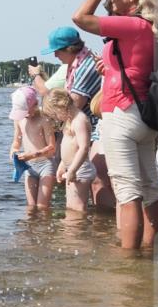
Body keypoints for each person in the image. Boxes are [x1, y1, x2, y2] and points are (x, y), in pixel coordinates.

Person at [73, 0, 158, 249]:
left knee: (127, 192)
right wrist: (109, 70)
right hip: (143, 117)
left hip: (121, 114)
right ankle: (151, 255)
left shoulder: (133, 25)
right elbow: (135, 68)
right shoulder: (153, 27)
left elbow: (80, 18)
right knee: (150, 188)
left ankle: (128, 268)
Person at [30, 26, 114, 211]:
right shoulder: (78, 63)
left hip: (97, 128)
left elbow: (73, 103)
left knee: (98, 178)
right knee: (97, 179)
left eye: (57, 51)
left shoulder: (84, 67)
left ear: (69, 49)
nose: (55, 56)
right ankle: (101, 224)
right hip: (91, 129)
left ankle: (106, 221)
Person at [43, 89, 97, 212]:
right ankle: (73, 230)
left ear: (61, 106)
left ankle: (76, 229)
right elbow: (69, 146)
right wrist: (62, 165)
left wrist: (72, 170)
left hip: (80, 169)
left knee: (77, 209)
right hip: (72, 167)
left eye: (55, 114)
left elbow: (83, 148)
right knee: (71, 207)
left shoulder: (80, 120)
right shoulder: (69, 120)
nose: (56, 118)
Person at [8, 86, 57, 209]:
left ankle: (45, 226)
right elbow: (16, 142)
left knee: (42, 206)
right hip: (29, 167)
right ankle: (30, 228)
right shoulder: (19, 120)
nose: (25, 115)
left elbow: (52, 147)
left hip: (46, 165)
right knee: (31, 207)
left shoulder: (44, 120)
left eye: (26, 111)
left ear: (35, 104)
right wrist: (13, 152)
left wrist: (33, 154)